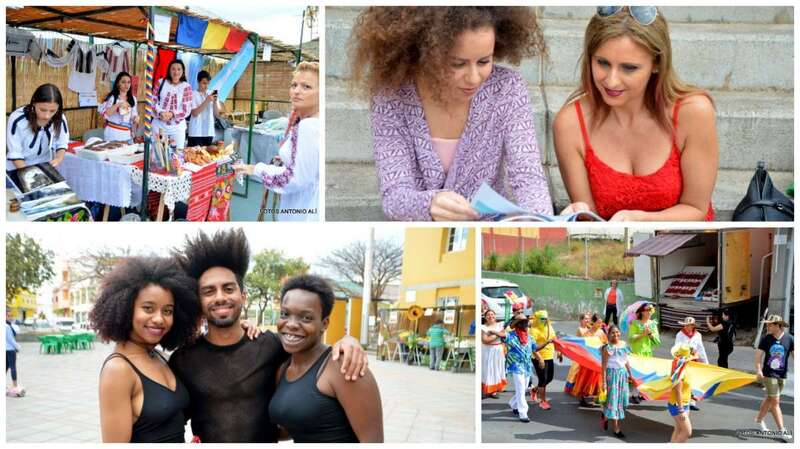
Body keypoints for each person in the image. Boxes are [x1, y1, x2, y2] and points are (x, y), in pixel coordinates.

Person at [348, 7, 552, 221]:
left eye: (484, 61)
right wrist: (429, 204)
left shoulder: (507, 88)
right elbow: (394, 196)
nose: (474, 78)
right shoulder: (391, 94)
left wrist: (544, 224)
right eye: (458, 64)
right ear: (425, 54)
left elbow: (528, 178)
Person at [168, 228, 369, 443]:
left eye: (228, 289)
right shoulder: (183, 360)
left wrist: (348, 341)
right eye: (209, 291)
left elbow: (313, 355)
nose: (220, 297)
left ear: (243, 296)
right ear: (199, 300)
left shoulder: (272, 346)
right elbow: (169, 421)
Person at [553, 6, 718, 221]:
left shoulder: (693, 112)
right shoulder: (570, 123)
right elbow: (590, 220)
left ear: (657, 63)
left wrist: (641, 220)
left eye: (629, 68)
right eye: (602, 63)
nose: (611, 80)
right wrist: (579, 214)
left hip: (687, 246)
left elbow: (697, 208)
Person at [89, 257, 201, 443]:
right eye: (148, 308)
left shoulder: (159, 356)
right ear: (125, 309)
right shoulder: (118, 370)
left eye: (167, 311)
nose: (159, 319)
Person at [269, 275, 383, 442]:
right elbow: (296, 426)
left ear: (324, 324)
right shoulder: (284, 367)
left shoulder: (344, 366)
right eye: (285, 314)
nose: (291, 324)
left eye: (306, 317)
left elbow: (374, 442)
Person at [234, 62, 320, 221]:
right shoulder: (315, 123)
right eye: (294, 85)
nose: (296, 91)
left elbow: (293, 179)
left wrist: (255, 169)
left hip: (302, 209)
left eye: (306, 87)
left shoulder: (308, 127)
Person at [6, 83, 69, 171]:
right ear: (34, 103)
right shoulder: (17, 119)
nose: (47, 116)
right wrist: (29, 173)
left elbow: (62, 142)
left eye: (52, 111)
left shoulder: (59, 116)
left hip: (44, 163)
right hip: (18, 167)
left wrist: (58, 159)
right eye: (43, 110)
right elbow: (15, 153)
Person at [754, 314, 793, 442]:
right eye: (767, 324)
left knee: (770, 399)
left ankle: (758, 420)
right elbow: (758, 357)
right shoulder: (766, 339)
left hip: (782, 375)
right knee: (775, 401)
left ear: (778, 325)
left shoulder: (789, 339)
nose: (767, 326)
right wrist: (759, 370)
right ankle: (782, 430)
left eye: (770, 324)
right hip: (769, 374)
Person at [600, 325, 633, 439]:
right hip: (612, 375)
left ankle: (605, 415)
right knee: (614, 402)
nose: (616, 334)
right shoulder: (607, 348)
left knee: (620, 400)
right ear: (608, 334)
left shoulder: (623, 344)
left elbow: (626, 360)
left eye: (617, 332)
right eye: (613, 333)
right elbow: (603, 366)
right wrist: (603, 382)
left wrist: (630, 374)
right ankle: (616, 428)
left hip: (622, 375)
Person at [567, 312, 606, 407]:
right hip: (588, 359)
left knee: (597, 380)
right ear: (593, 322)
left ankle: (597, 397)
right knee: (584, 379)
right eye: (598, 323)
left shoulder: (601, 332)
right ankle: (582, 398)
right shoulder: (587, 333)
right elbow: (582, 345)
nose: (600, 325)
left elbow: (605, 343)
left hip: (597, 359)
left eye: (601, 323)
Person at [153, 59, 193, 150]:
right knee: (159, 156)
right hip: (159, 126)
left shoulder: (186, 87)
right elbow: (153, 101)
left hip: (177, 127)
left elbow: (186, 109)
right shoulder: (160, 82)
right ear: (169, 71)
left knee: (177, 155)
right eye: (173, 69)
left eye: (179, 69)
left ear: (183, 72)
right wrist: (160, 113)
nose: (176, 72)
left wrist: (172, 114)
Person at [505, 312, 536, 422]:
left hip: (527, 366)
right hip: (516, 365)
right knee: (520, 387)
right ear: (518, 325)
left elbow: (535, 349)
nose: (526, 325)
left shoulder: (530, 337)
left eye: (526, 323)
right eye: (523, 323)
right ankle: (523, 412)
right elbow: (501, 335)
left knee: (522, 388)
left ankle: (513, 404)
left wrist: (547, 343)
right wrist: (507, 324)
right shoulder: (511, 335)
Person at [673, 316, 708, 410]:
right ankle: (681, 401)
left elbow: (701, 349)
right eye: (687, 325)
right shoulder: (680, 335)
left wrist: (705, 362)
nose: (688, 327)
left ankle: (692, 402)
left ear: (693, 326)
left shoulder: (697, 335)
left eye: (691, 325)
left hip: (694, 360)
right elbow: (677, 348)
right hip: (684, 361)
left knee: (693, 381)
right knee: (683, 382)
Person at [627, 303, 659, 403]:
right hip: (637, 352)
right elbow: (631, 338)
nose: (649, 312)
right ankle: (634, 394)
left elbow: (657, 342)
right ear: (641, 312)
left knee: (645, 373)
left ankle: (642, 393)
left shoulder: (652, 324)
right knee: (636, 374)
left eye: (650, 310)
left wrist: (650, 335)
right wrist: (642, 334)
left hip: (647, 353)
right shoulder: (635, 323)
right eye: (647, 310)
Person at [98, 71, 139, 142]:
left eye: (129, 82)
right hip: (113, 132)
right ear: (118, 84)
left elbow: (133, 115)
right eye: (123, 82)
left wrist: (136, 118)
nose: (126, 85)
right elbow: (107, 113)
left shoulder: (133, 99)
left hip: (126, 133)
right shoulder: (112, 97)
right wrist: (119, 104)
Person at [187, 70, 224, 147]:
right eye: (204, 83)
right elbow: (194, 113)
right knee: (193, 157)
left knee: (207, 157)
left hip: (208, 132)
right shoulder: (192, 94)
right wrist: (207, 101)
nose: (206, 86)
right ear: (198, 81)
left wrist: (214, 102)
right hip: (196, 132)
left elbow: (217, 115)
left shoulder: (210, 93)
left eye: (208, 83)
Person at [668, 344, 697, 443]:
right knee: (687, 432)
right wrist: (681, 410)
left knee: (679, 429)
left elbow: (696, 355)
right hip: (678, 406)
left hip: (685, 403)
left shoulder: (683, 366)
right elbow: (678, 392)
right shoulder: (679, 371)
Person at [530, 310, 558, 410]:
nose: (544, 321)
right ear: (537, 319)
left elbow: (554, 338)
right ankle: (543, 401)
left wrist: (559, 352)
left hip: (549, 356)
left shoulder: (549, 326)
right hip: (539, 357)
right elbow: (533, 347)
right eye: (542, 319)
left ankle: (535, 390)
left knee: (549, 378)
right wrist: (540, 358)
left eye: (545, 318)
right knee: (543, 379)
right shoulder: (533, 330)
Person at [481, 310, 507, 399]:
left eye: (492, 314)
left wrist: (494, 332)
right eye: (488, 315)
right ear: (485, 317)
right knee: (488, 370)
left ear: (495, 316)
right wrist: (498, 334)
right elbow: (485, 340)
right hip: (488, 351)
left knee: (497, 369)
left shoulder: (500, 325)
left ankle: (495, 390)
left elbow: (504, 335)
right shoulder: (483, 327)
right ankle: (487, 389)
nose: (490, 316)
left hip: (498, 350)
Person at [5, 311, 23, 397]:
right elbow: (10, 340)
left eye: (11, 316)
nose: (10, 317)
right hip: (10, 350)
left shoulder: (9, 325)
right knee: (13, 368)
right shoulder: (7, 326)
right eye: (8, 316)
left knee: (5, 367)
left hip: (5, 350)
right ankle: (15, 386)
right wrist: (18, 347)